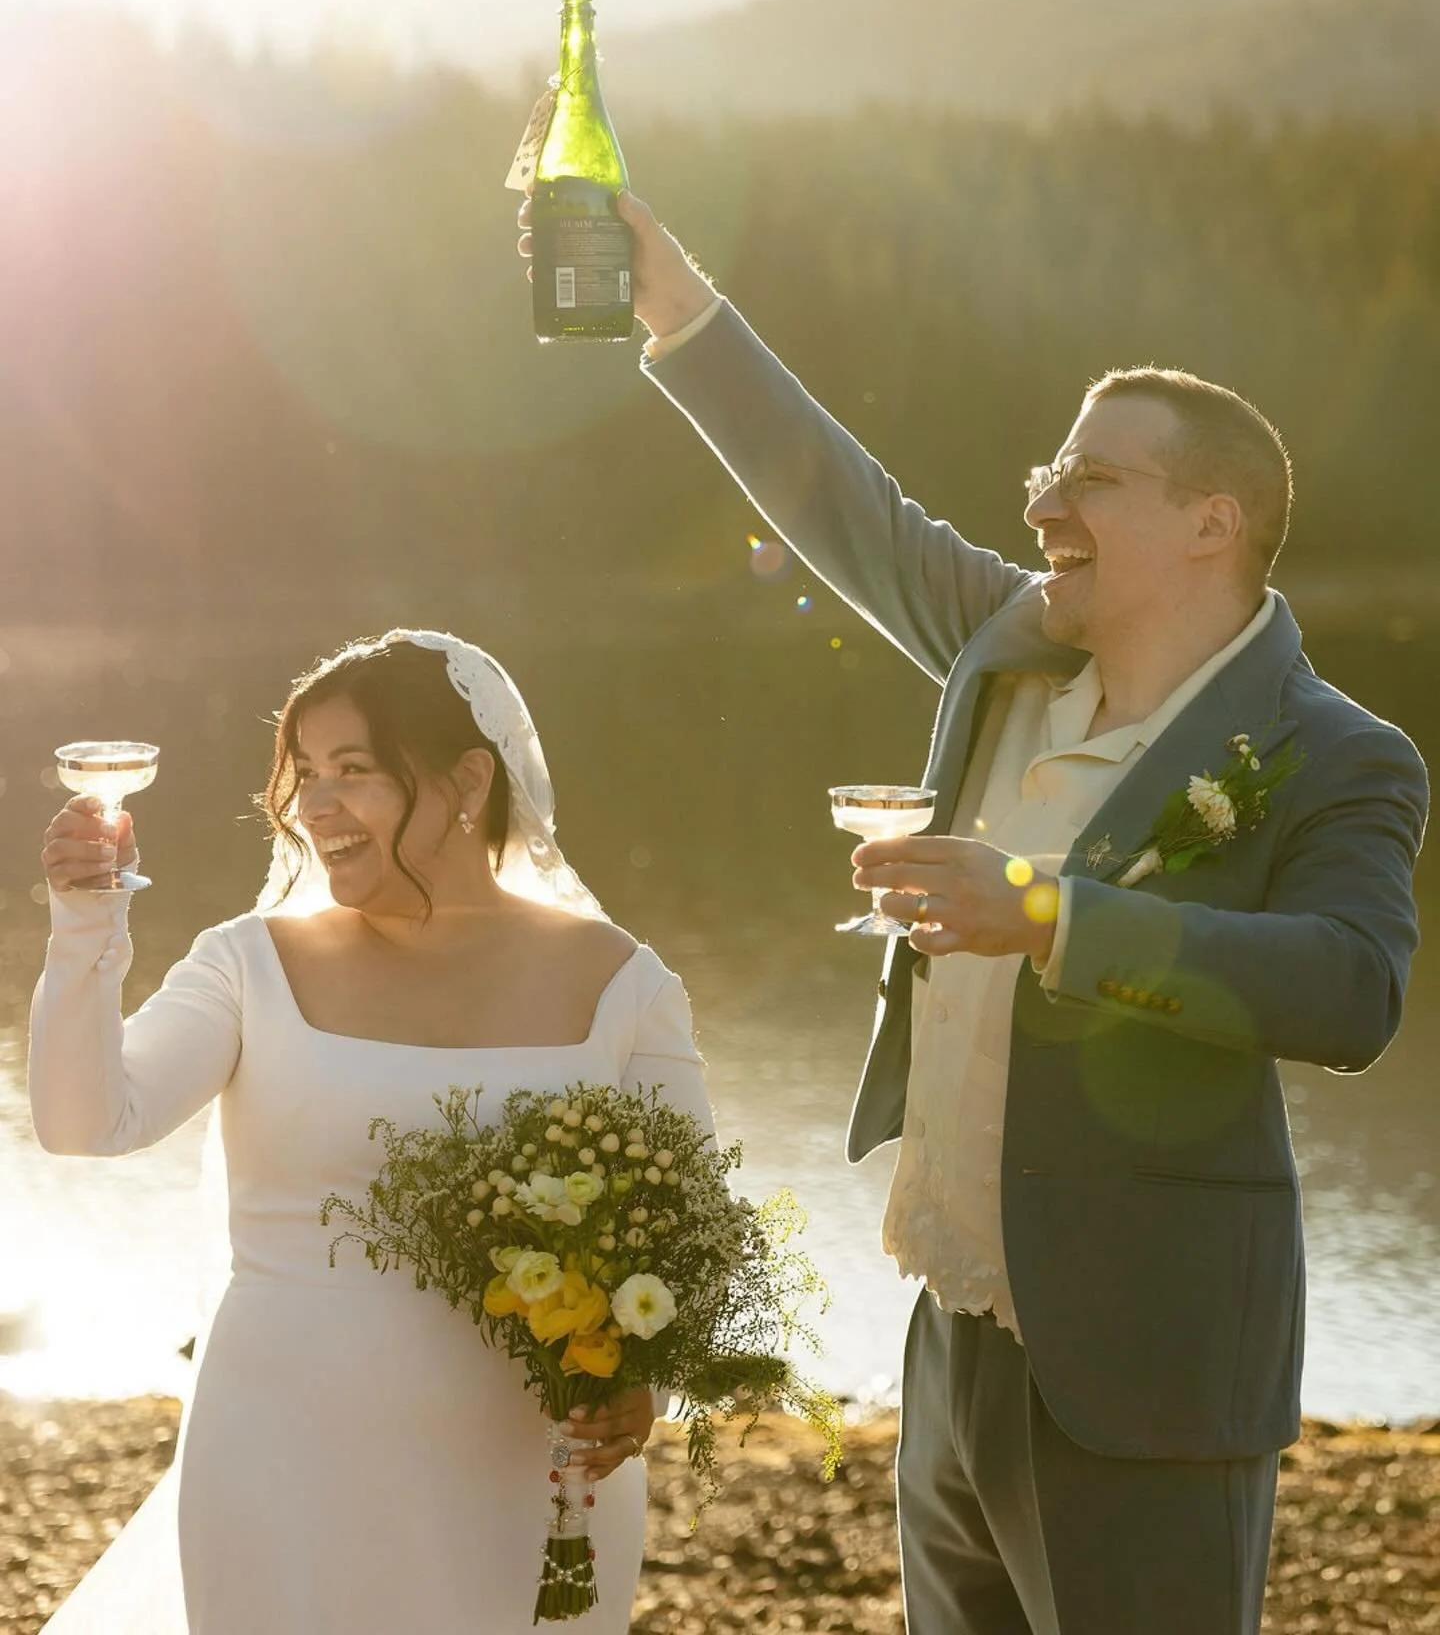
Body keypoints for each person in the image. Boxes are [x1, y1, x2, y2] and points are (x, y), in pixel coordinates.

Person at [519, 194, 1429, 1633]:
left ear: (1212, 524)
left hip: (1147, 1365)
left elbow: (1350, 990)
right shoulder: (1005, 652)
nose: (1043, 502)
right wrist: (670, 301)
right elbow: (840, 499)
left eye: (1093, 478)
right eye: (1048, 466)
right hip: (955, 1336)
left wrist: (1051, 915)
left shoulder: (1338, 752)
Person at [29, 628, 715, 1635]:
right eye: (306, 773)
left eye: (354, 770)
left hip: (532, 1473)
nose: (314, 804)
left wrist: (644, 1378)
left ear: (467, 778)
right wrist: (85, 919)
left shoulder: (621, 982)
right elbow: (86, 1123)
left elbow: (688, 1225)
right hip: (279, 1453)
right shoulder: (246, 965)